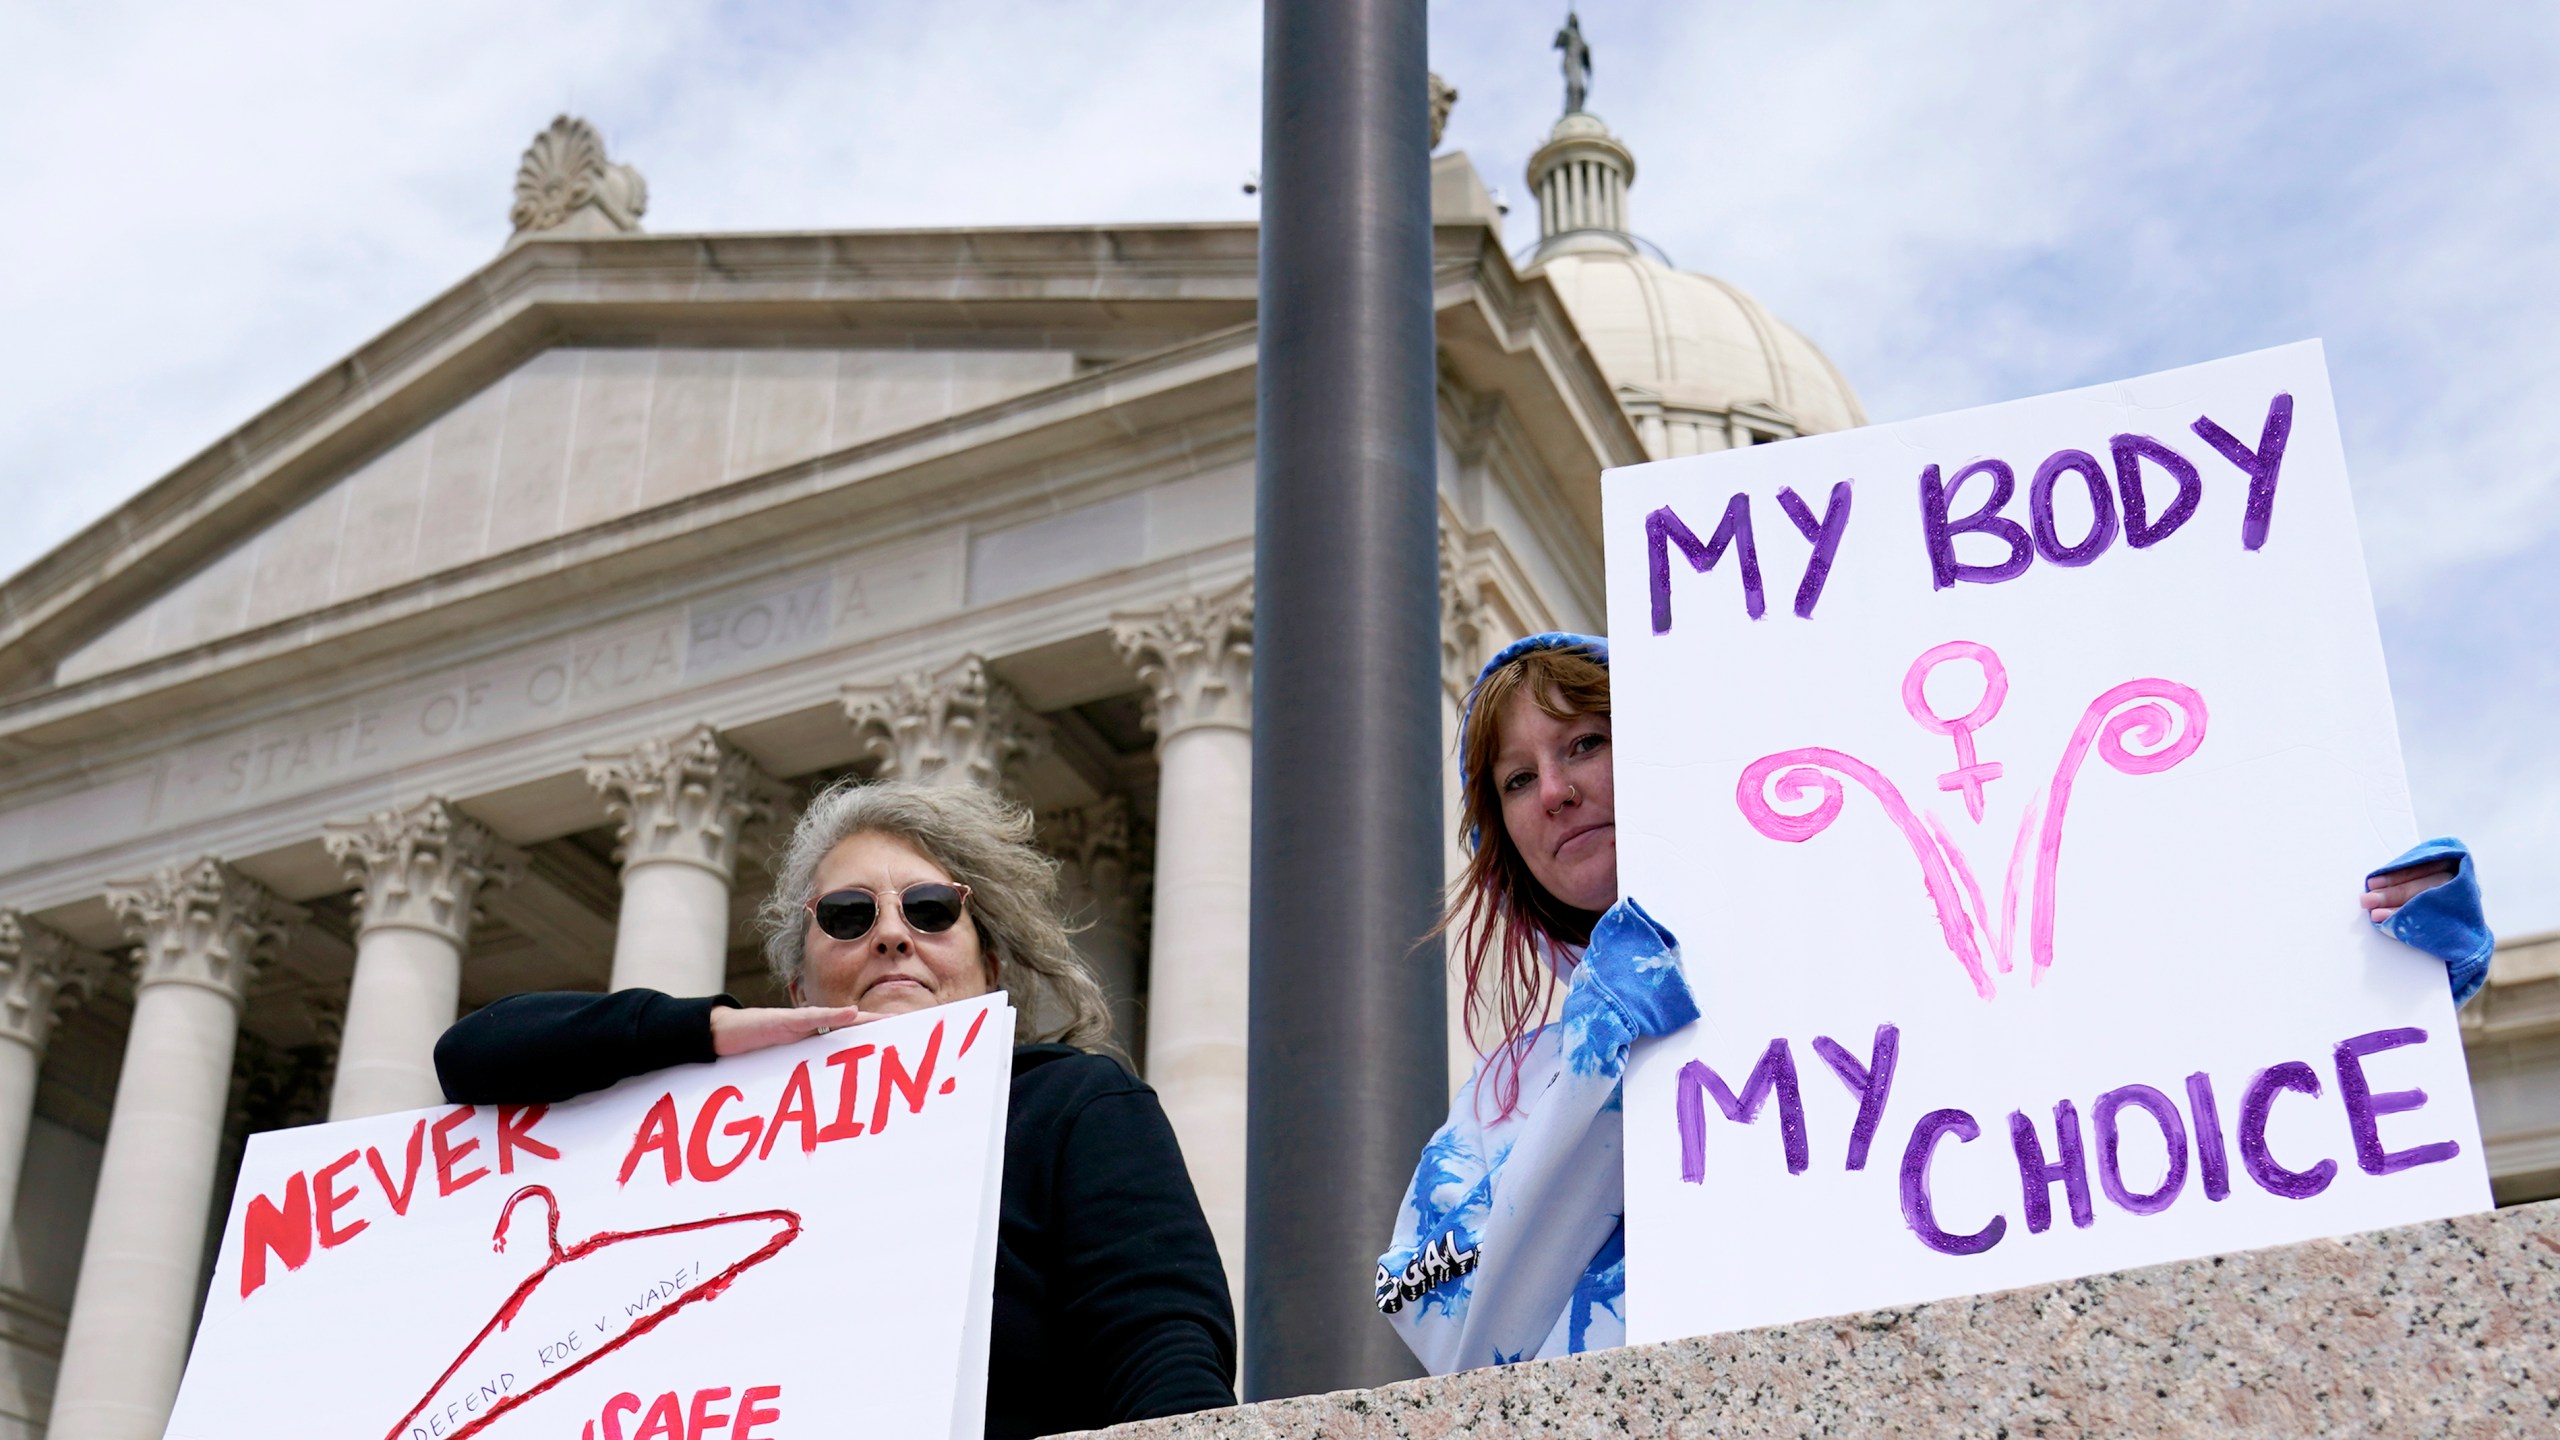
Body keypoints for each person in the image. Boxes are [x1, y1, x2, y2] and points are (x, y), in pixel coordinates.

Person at [1375, 631, 2494, 1375]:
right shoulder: (1497, 1102)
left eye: (1585, 744)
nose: (1556, 790)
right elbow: (1451, 1329)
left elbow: (2144, 1048)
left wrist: (2380, 953)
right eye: (1518, 778)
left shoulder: (1881, 944)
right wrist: (1592, 1071)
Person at [436, 779, 1236, 1440]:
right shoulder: (735, 1130)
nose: (891, 935)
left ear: (989, 964)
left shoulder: (1068, 1104)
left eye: (931, 909)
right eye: (847, 916)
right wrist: (704, 1033)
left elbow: (1160, 1349)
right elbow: (472, 1054)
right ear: (798, 986)